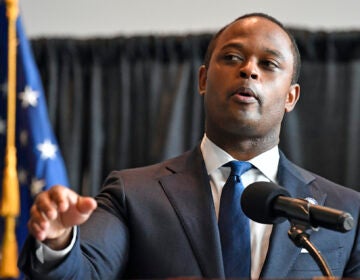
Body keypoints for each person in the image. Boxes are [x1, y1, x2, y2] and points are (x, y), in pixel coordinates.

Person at [18, 13, 360, 279]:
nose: (248, 71)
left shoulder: (346, 211)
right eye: (232, 57)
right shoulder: (133, 195)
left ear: (290, 96)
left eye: (268, 64)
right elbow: (85, 272)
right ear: (202, 80)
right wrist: (60, 241)